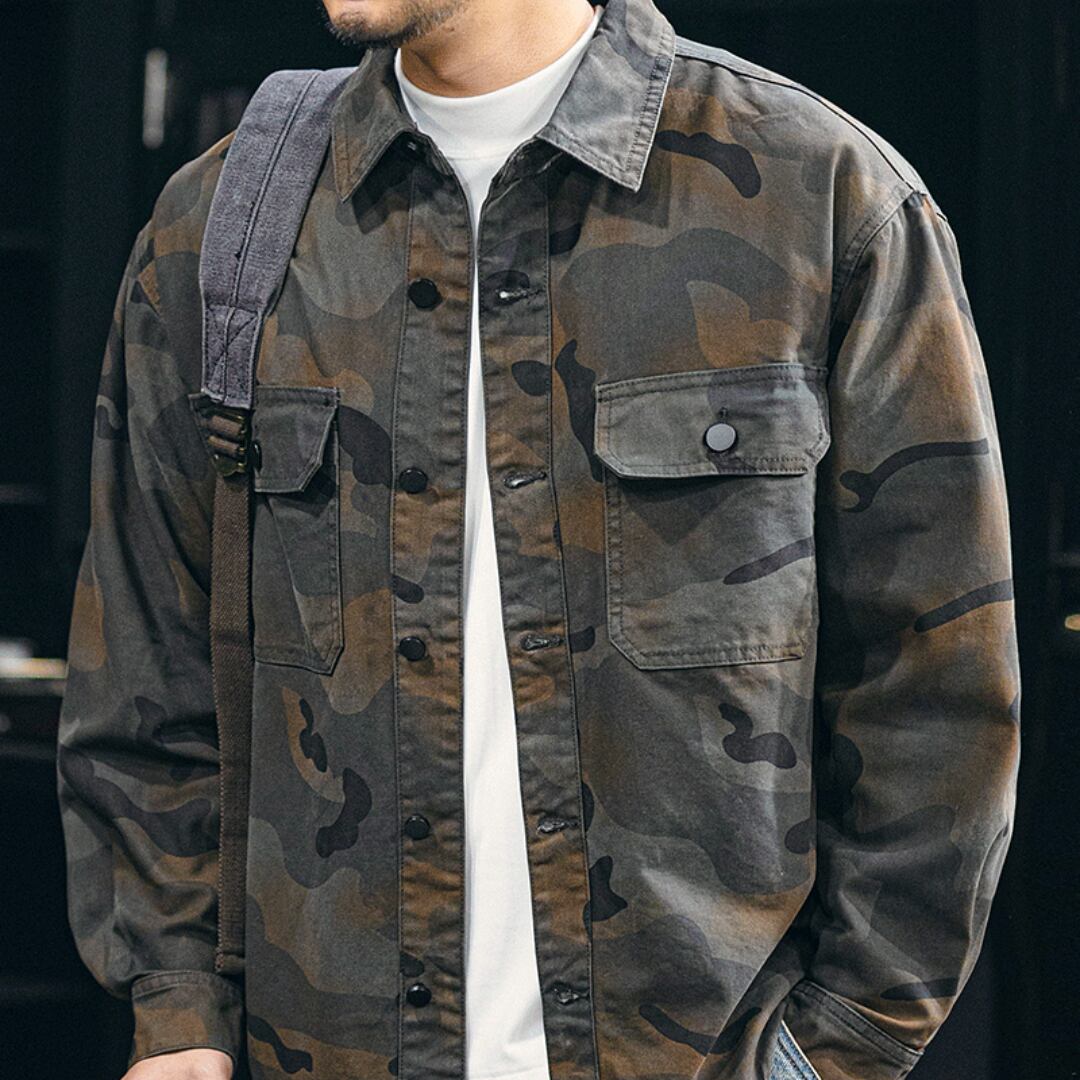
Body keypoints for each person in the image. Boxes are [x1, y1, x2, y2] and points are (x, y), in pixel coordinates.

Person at [55, 0, 1021, 1077]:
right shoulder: (220, 230)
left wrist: (830, 1051)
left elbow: (938, 689)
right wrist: (178, 1013)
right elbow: (146, 670)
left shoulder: (821, 197)